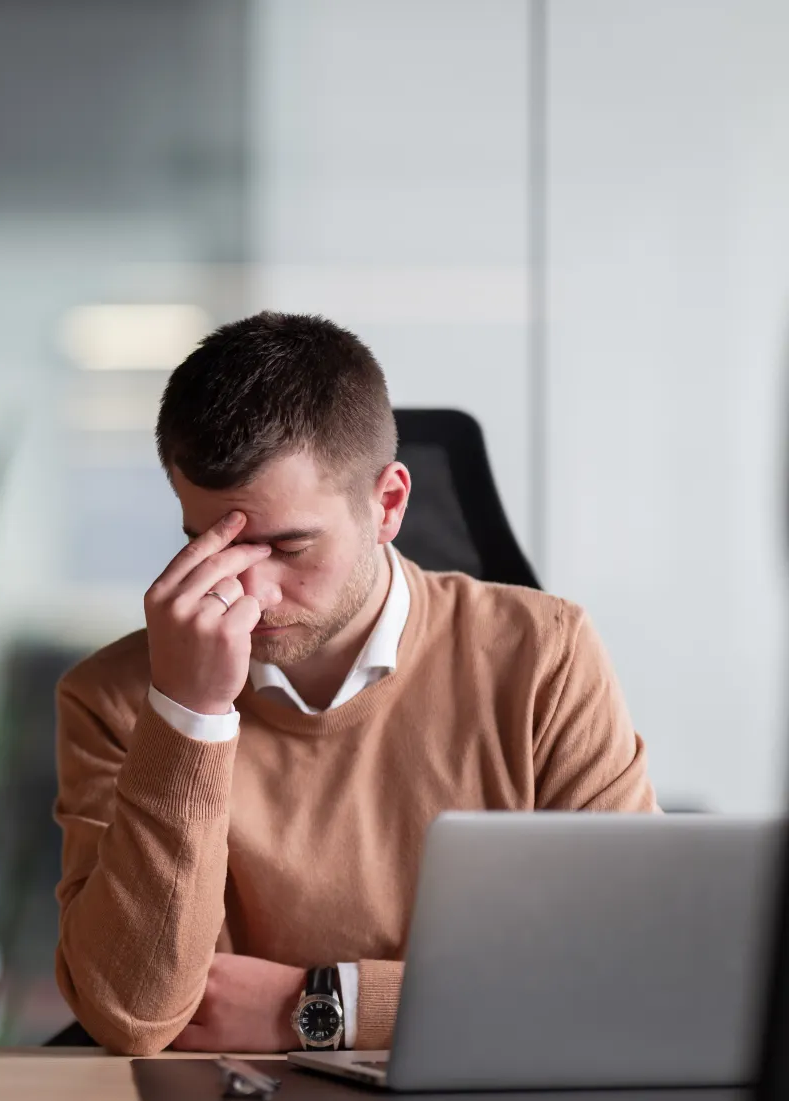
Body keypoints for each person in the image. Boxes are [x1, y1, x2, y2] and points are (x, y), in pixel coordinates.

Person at [52, 311, 657, 1057]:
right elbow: (132, 1014)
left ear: (389, 504)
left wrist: (320, 1004)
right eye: (210, 545)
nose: (253, 590)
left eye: (288, 546)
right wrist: (189, 715)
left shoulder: (543, 657)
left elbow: (630, 975)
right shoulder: (118, 697)